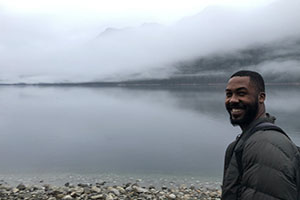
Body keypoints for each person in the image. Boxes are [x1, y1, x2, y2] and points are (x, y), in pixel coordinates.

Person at [222, 70, 300, 200]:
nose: (233, 100)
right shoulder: (250, 140)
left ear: (261, 97)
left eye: (241, 93)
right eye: (229, 94)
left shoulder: (265, 146)